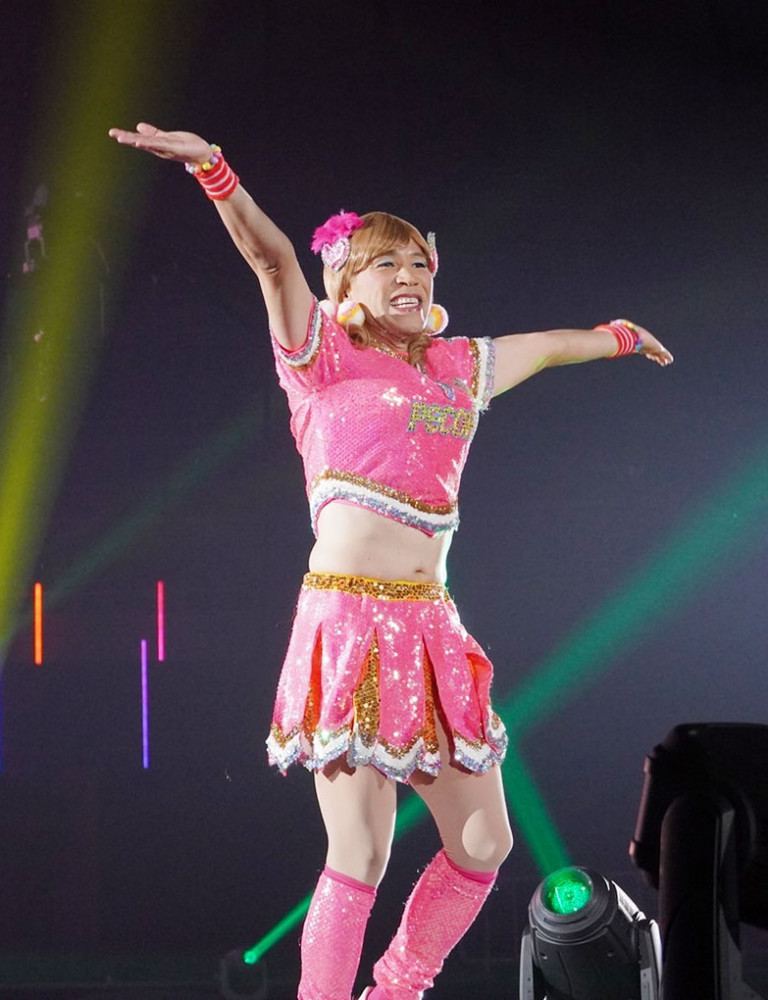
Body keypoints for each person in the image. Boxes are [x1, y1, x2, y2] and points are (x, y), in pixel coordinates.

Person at [108, 123, 674, 1000]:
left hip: (431, 628)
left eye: (419, 263)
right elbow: (271, 261)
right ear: (346, 283)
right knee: (361, 850)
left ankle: (397, 990)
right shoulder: (320, 361)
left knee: (484, 843)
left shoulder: (456, 367)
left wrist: (618, 337)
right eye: (387, 263)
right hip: (348, 620)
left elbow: (546, 346)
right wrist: (213, 170)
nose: (410, 275)